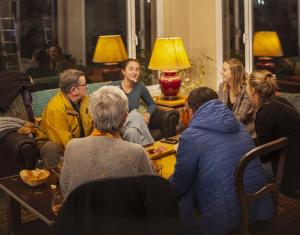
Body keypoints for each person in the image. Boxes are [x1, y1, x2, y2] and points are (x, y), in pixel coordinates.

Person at [170, 87, 274, 235]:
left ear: (191, 112)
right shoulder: (240, 125)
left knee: (185, 192)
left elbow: (180, 184)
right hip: (256, 199)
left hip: (226, 211)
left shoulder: (190, 137)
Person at [60, 86, 155, 199]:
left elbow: (65, 189)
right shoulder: (136, 152)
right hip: (122, 215)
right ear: (125, 117)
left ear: (92, 116)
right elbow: (151, 194)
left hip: (81, 215)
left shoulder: (72, 146)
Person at [247, 70, 300, 198]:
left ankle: (258, 208)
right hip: (295, 159)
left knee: (245, 168)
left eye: (247, 87)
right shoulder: (279, 101)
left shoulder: (265, 113)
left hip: (291, 174)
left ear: (253, 90)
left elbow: (264, 157)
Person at [35, 69, 93, 166]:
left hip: (80, 141)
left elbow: (93, 123)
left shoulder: (85, 99)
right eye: (84, 85)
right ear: (73, 90)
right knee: (51, 148)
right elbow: (64, 141)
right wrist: (86, 150)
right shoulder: (56, 109)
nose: (87, 87)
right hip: (57, 142)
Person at [115, 58, 156, 145]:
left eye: (137, 69)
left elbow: (152, 104)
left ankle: (141, 156)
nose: (134, 72)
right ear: (123, 71)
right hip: (118, 124)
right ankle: (152, 146)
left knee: (132, 132)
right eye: (131, 69)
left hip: (132, 126)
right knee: (135, 113)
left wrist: (147, 115)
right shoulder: (113, 87)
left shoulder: (140, 86)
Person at [219, 58, 256, 137]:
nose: (220, 72)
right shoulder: (222, 87)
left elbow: (240, 117)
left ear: (234, 73)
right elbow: (220, 111)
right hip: (228, 129)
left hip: (245, 132)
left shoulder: (247, 90)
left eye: (224, 70)